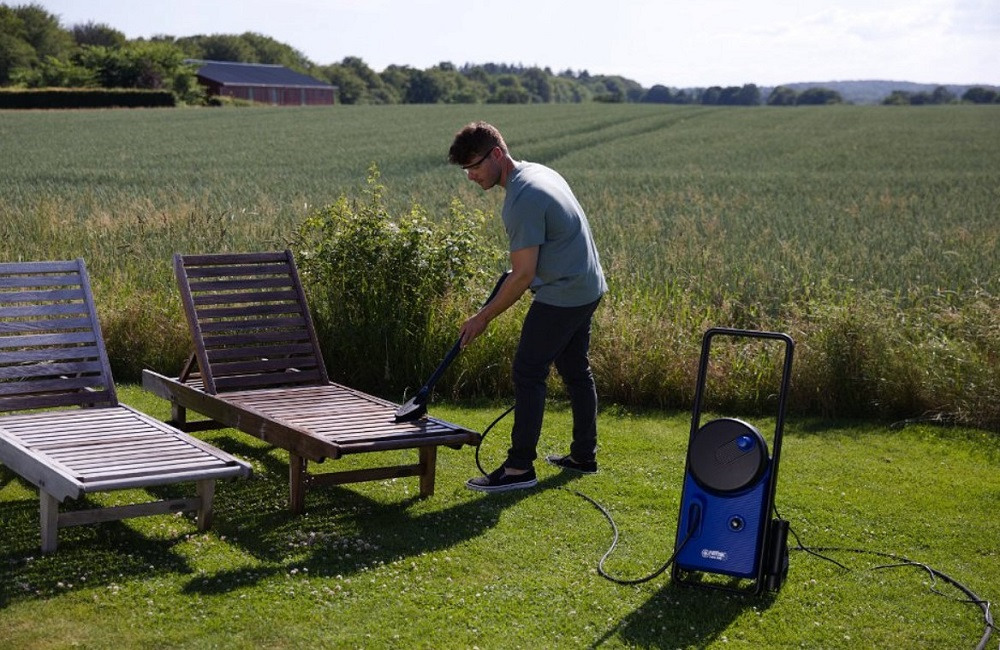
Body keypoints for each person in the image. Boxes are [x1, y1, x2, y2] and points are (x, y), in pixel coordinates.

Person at [448, 121, 608, 493]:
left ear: (497, 154)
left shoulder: (523, 199)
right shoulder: (538, 172)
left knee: (528, 371)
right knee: (575, 370)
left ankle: (519, 467)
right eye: (465, 170)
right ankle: (584, 456)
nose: (471, 176)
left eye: (474, 166)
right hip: (587, 285)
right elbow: (540, 254)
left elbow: (523, 276)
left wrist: (482, 318)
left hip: (563, 294)